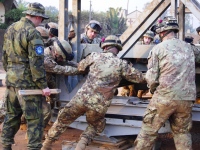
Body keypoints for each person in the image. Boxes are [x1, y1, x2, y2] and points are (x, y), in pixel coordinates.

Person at [41, 35, 146, 150]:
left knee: (62, 120)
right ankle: (81, 145)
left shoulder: (94, 56)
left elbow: (80, 67)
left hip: (81, 99)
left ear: (104, 47)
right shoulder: (122, 65)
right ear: (118, 49)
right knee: (97, 125)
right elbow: (140, 78)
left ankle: (46, 145)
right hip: (99, 105)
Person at [134, 16, 200, 150]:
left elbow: (152, 79)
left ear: (162, 32)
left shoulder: (158, 49)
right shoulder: (189, 48)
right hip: (186, 99)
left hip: (164, 97)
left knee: (148, 132)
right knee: (182, 133)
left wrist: (153, 91)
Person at [1, 2, 51, 150]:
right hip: (28, 85)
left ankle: (5, 146)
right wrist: (43, 86)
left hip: (11, 80)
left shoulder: (11, 28)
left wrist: (11, 73)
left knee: (11, 116)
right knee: (35, 119)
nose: (41, 22)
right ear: (37, 17)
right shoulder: (33, 33)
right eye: (41, 19)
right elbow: (36, 63)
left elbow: (4, 56)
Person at [121, 30, 155, 98]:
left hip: (146, 68)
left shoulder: (153, 47)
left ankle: (139, 95)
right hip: (136, 67)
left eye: (149, 38)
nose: (147, 40)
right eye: (146, 38)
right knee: (132, 87)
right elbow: (130, 56)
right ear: (143, 38)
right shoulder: (137, 45)